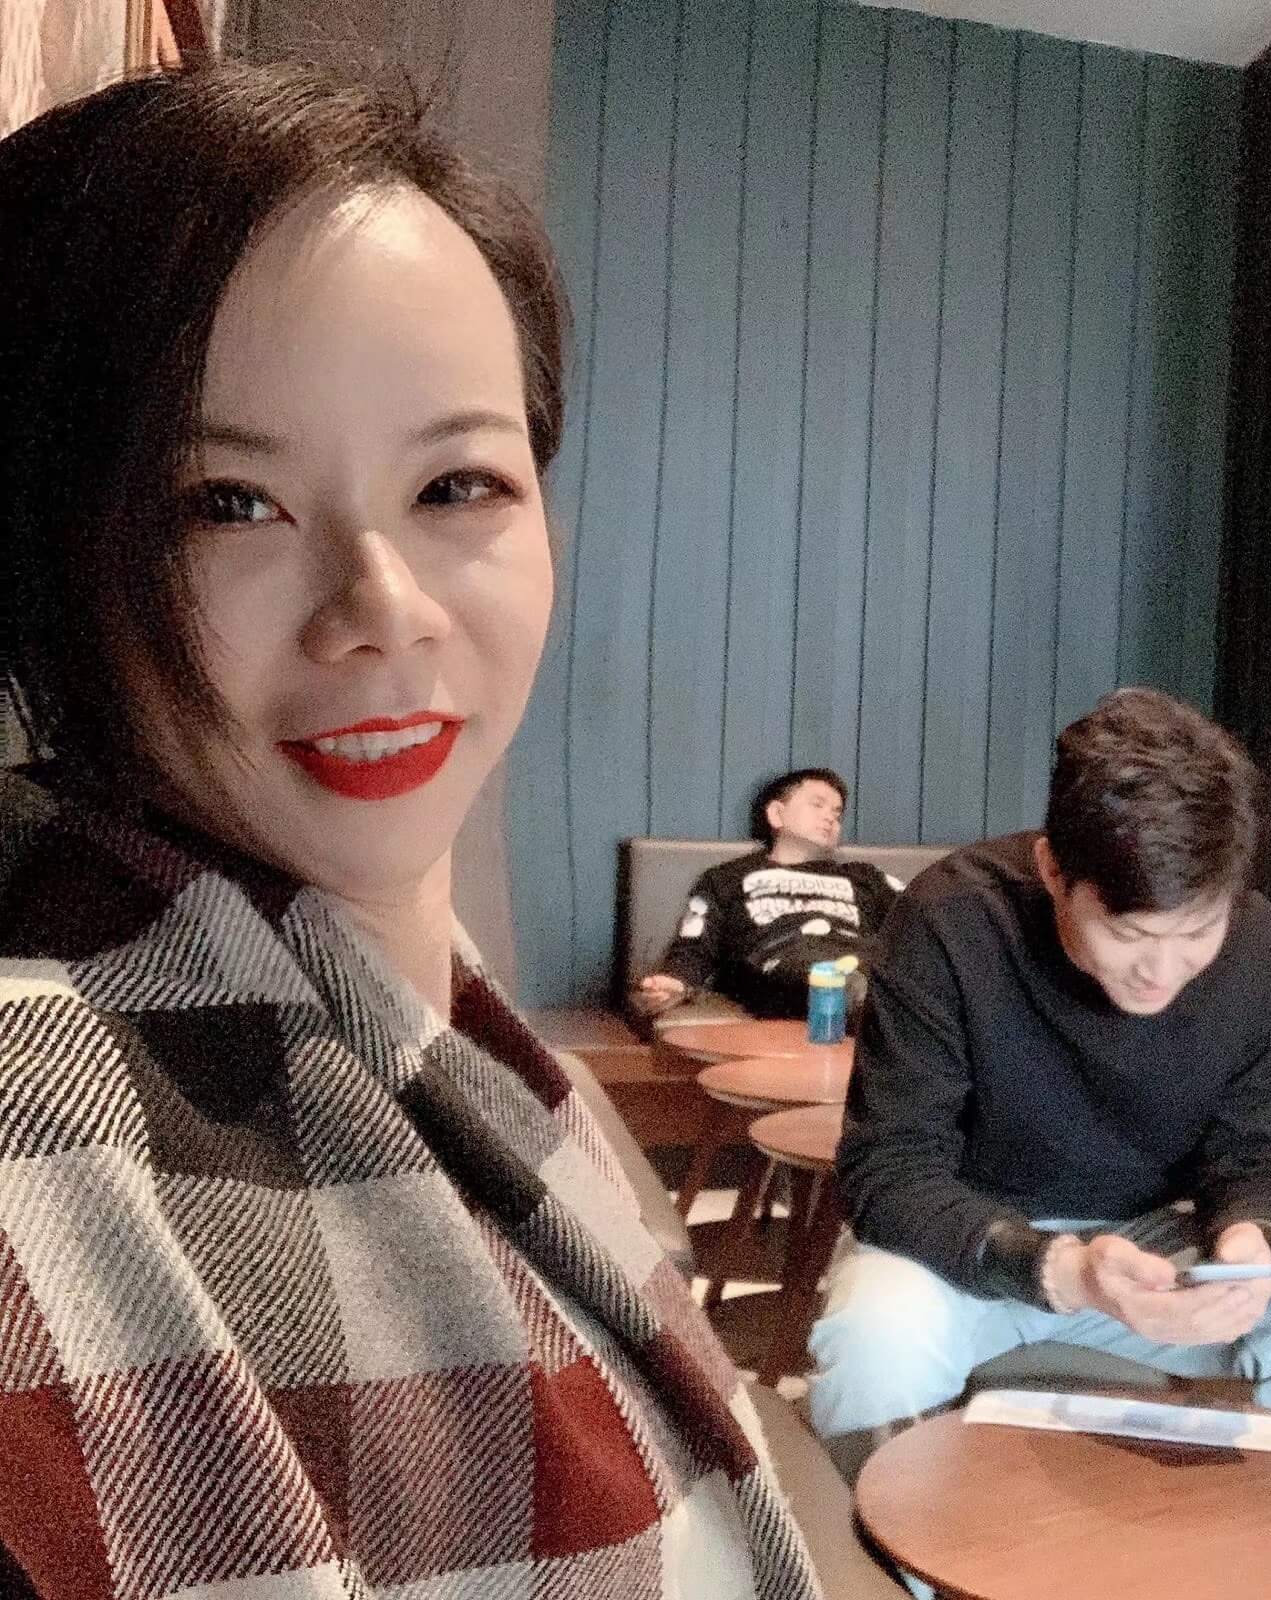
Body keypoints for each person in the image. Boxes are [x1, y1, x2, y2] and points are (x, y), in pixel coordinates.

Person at [0, 64, 818, 1599]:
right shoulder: (42, 1113)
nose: (382, 609)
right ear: (57, 556)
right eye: (225, 503)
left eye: (458, 483)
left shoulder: (478, 1047)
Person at [808, 688, 1271, 1473]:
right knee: (875, 1342)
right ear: (1054, 869)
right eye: (1129, 933)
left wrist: (1257, 1243)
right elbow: (889, 1170)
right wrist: (1061, 1269)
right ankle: (875, 1551)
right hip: (971, 1245)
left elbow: (1257, 1155)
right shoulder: (952, 920)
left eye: (1198, 932)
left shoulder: (1256, 941)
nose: (1163, 971)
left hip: (1159, 1247)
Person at [634, 767, 898, 1022]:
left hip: (861, 958)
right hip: (779, 960)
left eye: (837, 813)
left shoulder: (864, 876)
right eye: (817, 805)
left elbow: (917, 913)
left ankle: (869, 1001)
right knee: (817, 975)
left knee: (888, 973)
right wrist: (675, 980)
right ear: (776, 814)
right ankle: (858, 999)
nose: (830, 817)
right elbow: (696, 943)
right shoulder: (727, 877)